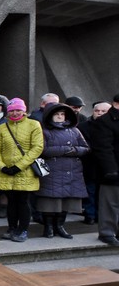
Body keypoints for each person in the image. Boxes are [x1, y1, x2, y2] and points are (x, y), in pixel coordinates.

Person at [0, 98, 44, 242]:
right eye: (12, 110)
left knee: (23, 201)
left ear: (24, 110)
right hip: (6, 171)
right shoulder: (2, 127)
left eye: (18, 110)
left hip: (25, 171)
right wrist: (1, 166)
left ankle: (23, 230)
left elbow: (37, 147)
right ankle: (12, 228)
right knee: (11, 201)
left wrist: (19, 166)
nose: (15, 113)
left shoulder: (33, 124)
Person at [36, 103, 90, 238]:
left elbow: (85, 148)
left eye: (62, 114)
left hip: (72, 170)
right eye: (57, 114)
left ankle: (60, 226)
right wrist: (65, 150)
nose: (60, 117)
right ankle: (48, 227)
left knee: (67, 200)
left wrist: (75, 150)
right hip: (52, 170)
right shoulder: (44, 131)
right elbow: (43, 150)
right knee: (50, 201)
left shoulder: (74, 130)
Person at [89, 93, 119, 246]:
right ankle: (107, 233)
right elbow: (103, 148)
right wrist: (111, 170)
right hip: (111, 171)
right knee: (110, 203)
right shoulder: (105, 122)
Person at [77, 101, 111, 225]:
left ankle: (100, 215)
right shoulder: (83, 126)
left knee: (104, 193)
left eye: (103, 111)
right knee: (90, 191)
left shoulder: (113, 125)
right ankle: (90, 215)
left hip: (108, 166)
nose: (100, 113)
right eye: (97, 111)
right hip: (89, 164)